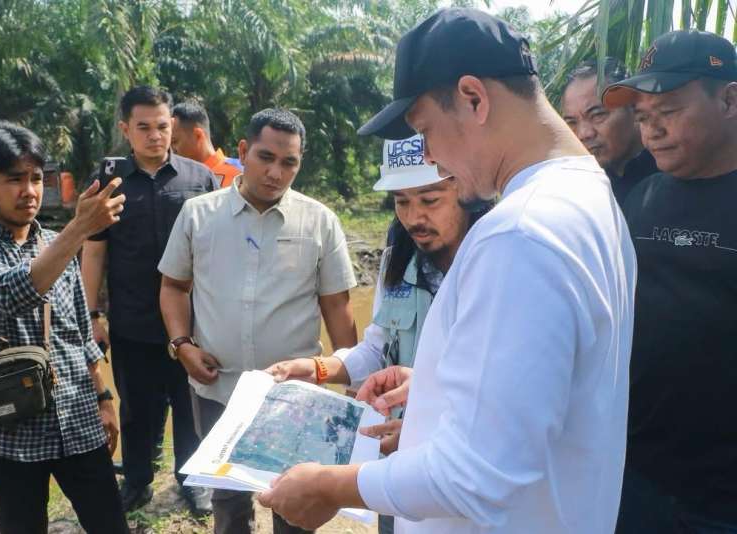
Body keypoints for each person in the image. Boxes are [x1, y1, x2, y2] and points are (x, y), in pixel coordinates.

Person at [256, 8, 637, 534]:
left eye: (425, 131)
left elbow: (476, 475)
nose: (431, 156)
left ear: (474, 98)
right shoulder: (589, 199)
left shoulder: (520, 234)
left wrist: (328, 485)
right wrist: (436, 386)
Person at [266, 133, 489, 534]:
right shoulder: (399, 259)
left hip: (464, 465)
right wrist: (319, 369)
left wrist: (427, 421)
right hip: (395, 454)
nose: (414, 217)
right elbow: (378, 347)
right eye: (401, 201)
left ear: (467, 190)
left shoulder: (496, 264)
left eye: (430, 200)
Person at [158, 108, 358, 534]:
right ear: (244, 151)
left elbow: (337, 307)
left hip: (294, 397)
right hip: (217, 387)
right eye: (266, 157)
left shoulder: (319, 221)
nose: (275, 172)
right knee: (228, 502)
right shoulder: (198, 215)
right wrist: (182, 345)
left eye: (289, 162)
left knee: (295, 503)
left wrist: (353, 381)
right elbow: (174, 286)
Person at [0, 121, 129, 533]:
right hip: (8, 432)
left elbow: (79, 331)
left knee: (111, 525)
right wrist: (80, 229)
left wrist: (104, 398)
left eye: (36, 178)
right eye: (14, 180)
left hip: (78, 421)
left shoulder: (55, 241)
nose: (29, 191)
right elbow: (11, 294)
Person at [601, 30, 737, 533]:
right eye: (642, 118)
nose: (652, 131)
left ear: (729, 100)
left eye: (670, 111)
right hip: (635, 484)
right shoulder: (640, 199)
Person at [81, 85, 216, 515]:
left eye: (161, 126)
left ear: (172, 125)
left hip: (193, 324)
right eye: (143, 128)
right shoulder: (109, 182)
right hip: (132, 321)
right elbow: (94, 252)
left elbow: (217, 251)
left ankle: (193, 481)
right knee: (137, 408)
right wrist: (92, 315)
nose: (155, 135)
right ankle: (138, 481)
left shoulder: (200, 179)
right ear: (126, 129)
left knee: (192, 405)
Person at [561, 57, 658, 206]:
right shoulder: (582, 189)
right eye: (571, 123)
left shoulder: (674, 167)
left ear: (633, 108)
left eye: (597, 115)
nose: (584, 134)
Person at [172, 101, 243, 188]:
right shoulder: (174, 180)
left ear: (198, 135)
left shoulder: (240, 173)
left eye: (174, 142)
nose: (171, 150)